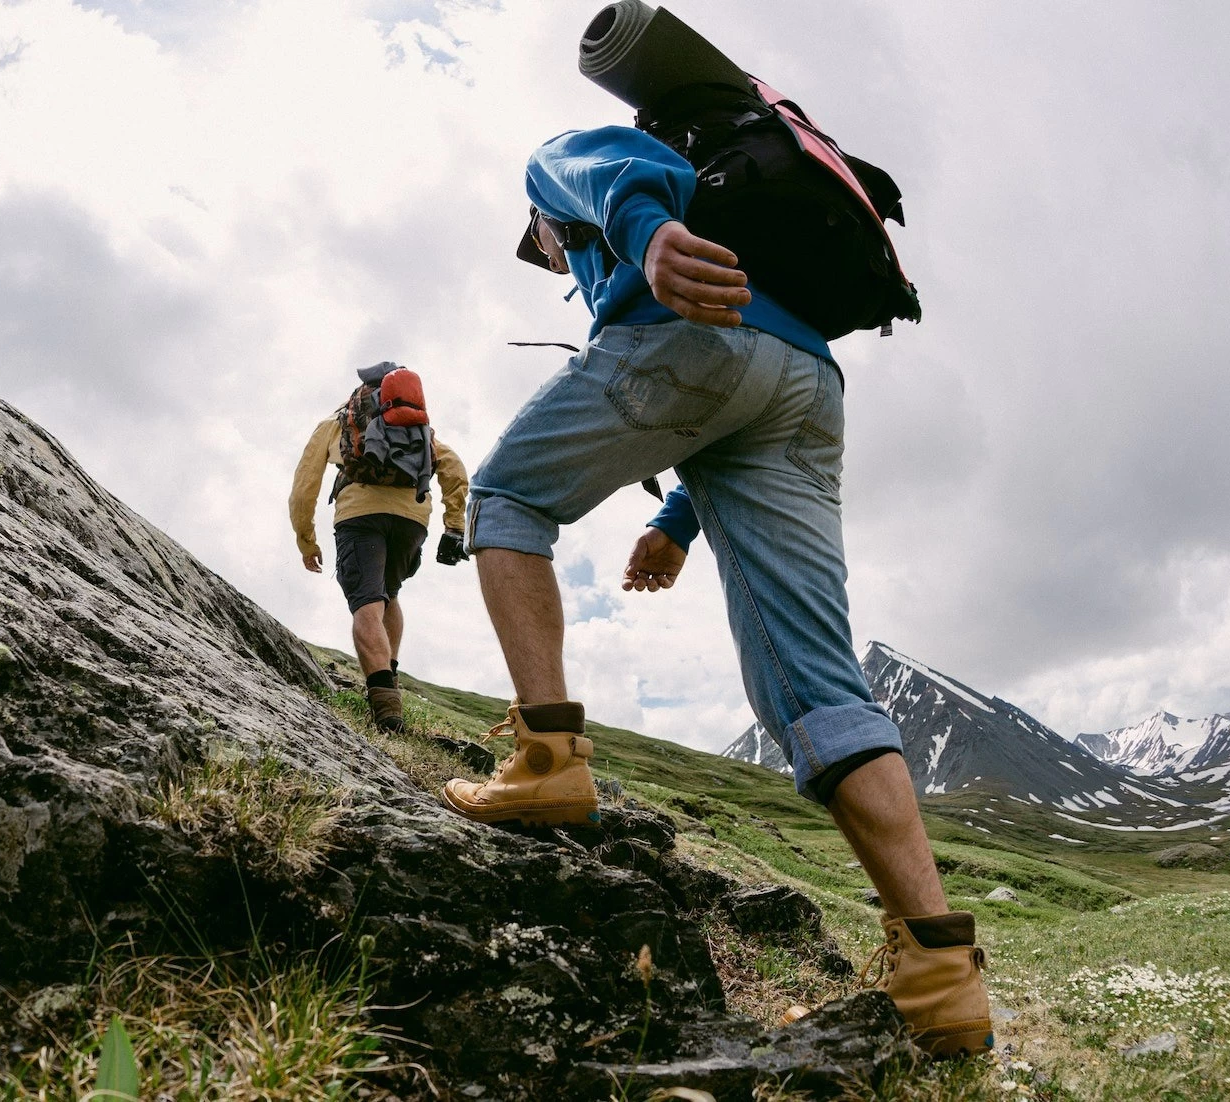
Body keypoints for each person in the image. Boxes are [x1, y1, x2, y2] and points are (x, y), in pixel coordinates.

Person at [440, 123, 991, 1056]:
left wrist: (649, 239)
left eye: (538, 246)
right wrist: (675, 523)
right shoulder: (757, 241)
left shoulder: (557, 169)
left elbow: (617, 169)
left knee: (503, 500)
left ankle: (545, 764)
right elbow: (739, 400)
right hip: (808, 382)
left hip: (689, 337)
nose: (544, 255)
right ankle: (941, 978)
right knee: (818, 687)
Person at [290, 362, 470, 732]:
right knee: (389, 593)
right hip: (412, 521)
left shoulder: (338, 425)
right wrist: (454, 525)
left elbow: (304, 485)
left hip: (360, 517)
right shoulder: (421, 430)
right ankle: (390, 679)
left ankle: (386, 710)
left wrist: (306, 539)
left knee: (367, 604)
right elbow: (454, 470)